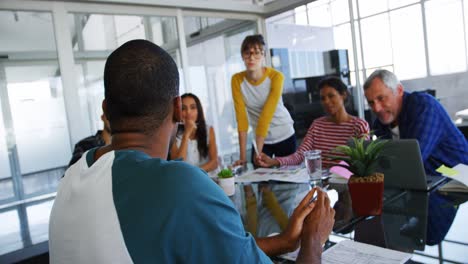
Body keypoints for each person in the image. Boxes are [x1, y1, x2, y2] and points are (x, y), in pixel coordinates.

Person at [49, 39, 335, 263]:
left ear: (105, 110)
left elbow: (215, 246)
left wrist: (285, 241)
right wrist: (313, 242)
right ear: (177, 109)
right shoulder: (177, 185)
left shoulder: (72, 177)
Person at [363, 69, 468, 175]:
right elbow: (386, 164)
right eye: (371, 103)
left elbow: (412, 162)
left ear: (399, 90)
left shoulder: (423, 107)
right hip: (430, 178)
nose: (376, 108)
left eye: (381, 98)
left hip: (457, 176)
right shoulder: (380, 123)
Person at [257, 76, 370, 169]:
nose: (326, 102)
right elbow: (300, 155)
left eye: (331, 96)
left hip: (348, 184)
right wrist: (273, 161)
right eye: (323, 98)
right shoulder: (317, 125)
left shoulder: (358, 126)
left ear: (343, 95)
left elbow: (363, 163)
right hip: (322, 186)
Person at [231, 34, 295, 166]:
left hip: (283, 134)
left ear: (264, 55)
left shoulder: (276, 77)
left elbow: (266, 116)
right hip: (261, 140)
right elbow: (241, 119)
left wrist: (258, 153)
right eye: (247, 53)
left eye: (257, 53)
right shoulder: (237, 80)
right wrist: (242, 158)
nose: (252, 58)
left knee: (287, 182)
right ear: (242, 56)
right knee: (261, 182)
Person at [170, 93, 218, 174]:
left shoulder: (209, 129)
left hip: (207, 178)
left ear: (198, 110)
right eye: (183, 108)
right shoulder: (173, 134)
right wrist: (186, 134)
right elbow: (178, 167)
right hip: (185, 182)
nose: (188, 112)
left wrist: (195, 173)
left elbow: (214, 163)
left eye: (193, 107)